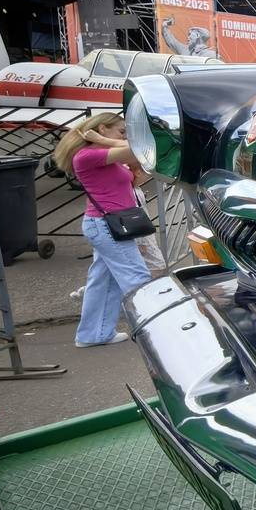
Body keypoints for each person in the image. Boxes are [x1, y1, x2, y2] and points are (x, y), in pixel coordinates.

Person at [52, 113, 152, 347]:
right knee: (137, 277)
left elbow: (132, 176)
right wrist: (104, 141)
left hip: (107, 224)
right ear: (102, 129)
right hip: (107, 226)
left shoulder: (103, 155)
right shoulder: (88, 155)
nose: (124, 136)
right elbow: (138, 149)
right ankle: (154, 331)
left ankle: (92, 334)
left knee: (103, 282)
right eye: (121, 131)